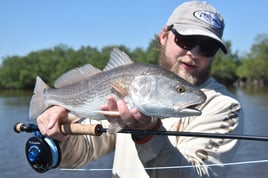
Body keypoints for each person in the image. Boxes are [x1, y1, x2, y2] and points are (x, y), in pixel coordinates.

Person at [37, 1, 243, 177]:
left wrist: (148, 134)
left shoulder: (224, 107)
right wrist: (58, 131)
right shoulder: (139, 86)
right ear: (164, 36)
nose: (193, 53)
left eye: (207, 47)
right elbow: (80, 154)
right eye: (185, 41)